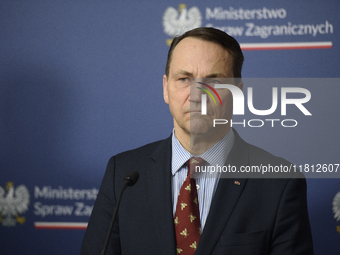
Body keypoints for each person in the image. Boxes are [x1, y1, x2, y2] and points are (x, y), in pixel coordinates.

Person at [81, 27, 313, 254]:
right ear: (165, 88)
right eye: (184, 79)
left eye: (213, 81)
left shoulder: (280, 182)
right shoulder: (122, 174)